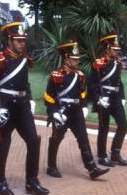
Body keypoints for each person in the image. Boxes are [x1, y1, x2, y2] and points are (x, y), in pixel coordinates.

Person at [0, 22, 49, 195]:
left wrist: (30, 98)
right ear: (9, 40)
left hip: (23, 107)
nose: (21, 43)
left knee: (33, 141)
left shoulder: (23, 59)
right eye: (18, 40)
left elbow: (25, 83)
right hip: (5, 107)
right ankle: (0, 182)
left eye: (23, 40)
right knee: (3, 144)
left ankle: (32, 181)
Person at [44, 41, 110, 179]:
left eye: (77, 59)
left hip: (76, 111)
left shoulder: (80, 76)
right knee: (56, 138)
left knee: (83, 139)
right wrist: (54, 112)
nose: (77, 61)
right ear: (66, 59)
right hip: (62, 112)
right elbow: (49, 97)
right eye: (74, 59)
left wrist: (84, 106)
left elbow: (82, 94)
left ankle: (92, 168)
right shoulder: (57, 76)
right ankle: (51, 166)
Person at [88, 33, 127, 167]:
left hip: (116, 98)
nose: (117, 51)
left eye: (118, 49)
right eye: (114, 49)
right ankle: (102, 156)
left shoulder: (118, 64)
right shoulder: (99, 64)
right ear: (108, 49)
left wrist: (122, 97)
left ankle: (115, 153)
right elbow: (92, 84)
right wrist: (98, 99)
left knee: (123, 125)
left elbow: (119, 82)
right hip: (103, 98)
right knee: (103, 127)